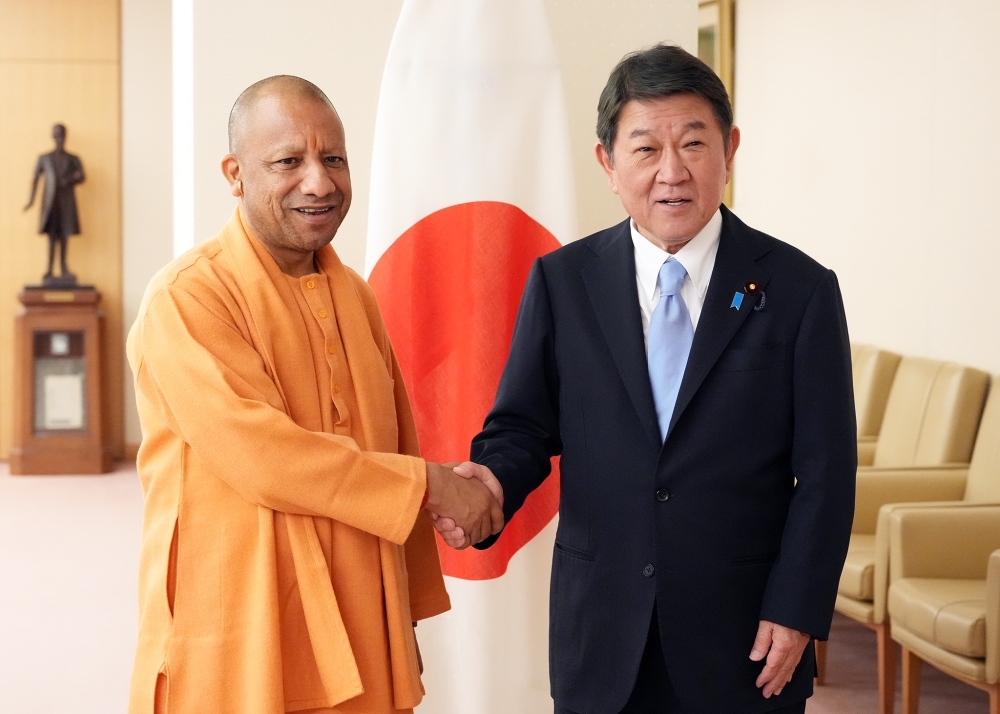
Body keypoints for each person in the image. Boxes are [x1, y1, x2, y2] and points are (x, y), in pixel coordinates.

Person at [435, 45, 856, 714]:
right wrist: (491, 480)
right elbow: (523, 426)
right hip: (602, 632)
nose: (672, 172)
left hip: (744, 637)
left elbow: (827, 473)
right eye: (645, 149)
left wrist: (798, 606)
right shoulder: (563, 282)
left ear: (730, 149)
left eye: (693, 143)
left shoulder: (800, 290)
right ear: (607, 163)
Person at [126, 76, 502, 714]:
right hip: (243, 620)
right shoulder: (186, 298)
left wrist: (400, 617)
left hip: (359, 615)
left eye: (334, 159)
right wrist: (434, 486)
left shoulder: (355, 295)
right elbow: (264, 457)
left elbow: (395, 439)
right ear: (236, 173)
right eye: (288, 162)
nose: (319, 183)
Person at [24, 123, 85, 284]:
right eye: (57, 135)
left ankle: (64, 268)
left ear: (65, 136)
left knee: (65, 235)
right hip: (50, 203)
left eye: (62, 135)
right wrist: (31, 200)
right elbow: (35, 179)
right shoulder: (44, 158)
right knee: (51, 235)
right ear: (53, 136)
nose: (60, 138)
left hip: (66, 203)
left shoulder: (73, 159)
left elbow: (82, 176)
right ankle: (50, 269)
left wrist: (69, 179)